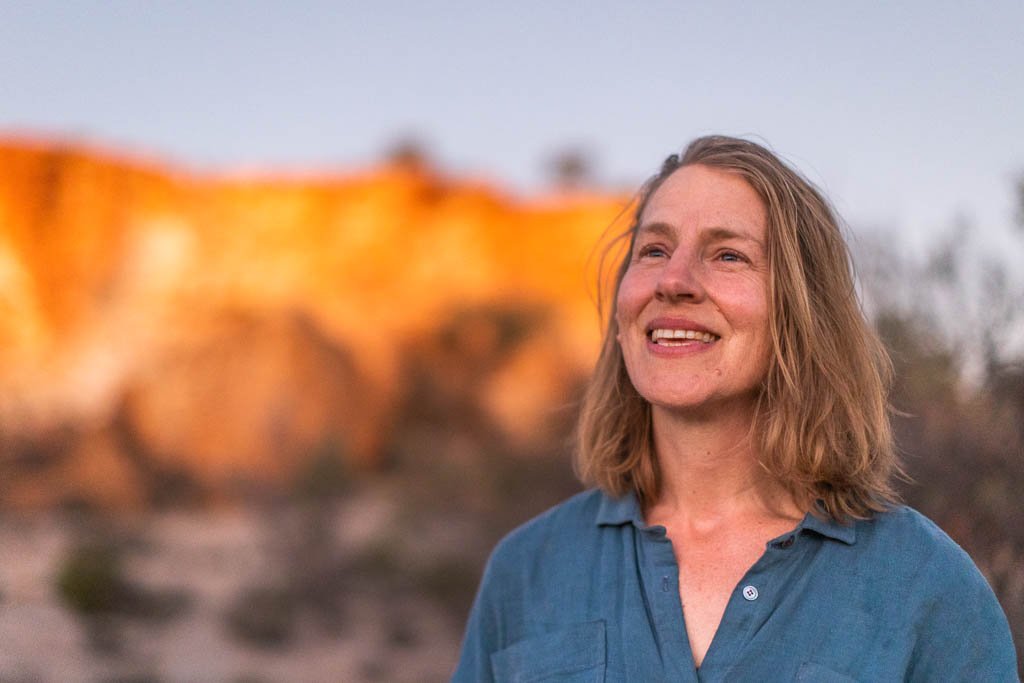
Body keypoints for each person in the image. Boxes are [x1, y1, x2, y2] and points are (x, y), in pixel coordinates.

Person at [451, 136, 1018, 682]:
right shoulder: (527, 571)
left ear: (802, 313)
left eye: (727, 254)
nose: (674, 281)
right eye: (654, 249)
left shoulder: (928, 590)